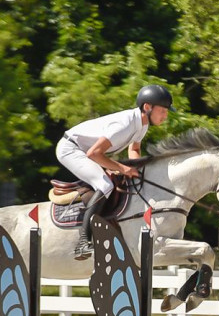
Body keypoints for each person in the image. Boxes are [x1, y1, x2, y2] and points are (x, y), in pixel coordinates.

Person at [56, 84, 175, 259]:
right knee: (105, 185)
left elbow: (134, 150)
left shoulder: (142, 124)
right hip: (71, 149)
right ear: (147, 107)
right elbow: (94, 153)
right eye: (163, 111)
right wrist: (122, 168)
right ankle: (83, 241)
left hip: (86, 151)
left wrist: (137, 170)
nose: (165, 116)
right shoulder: (124, 124)